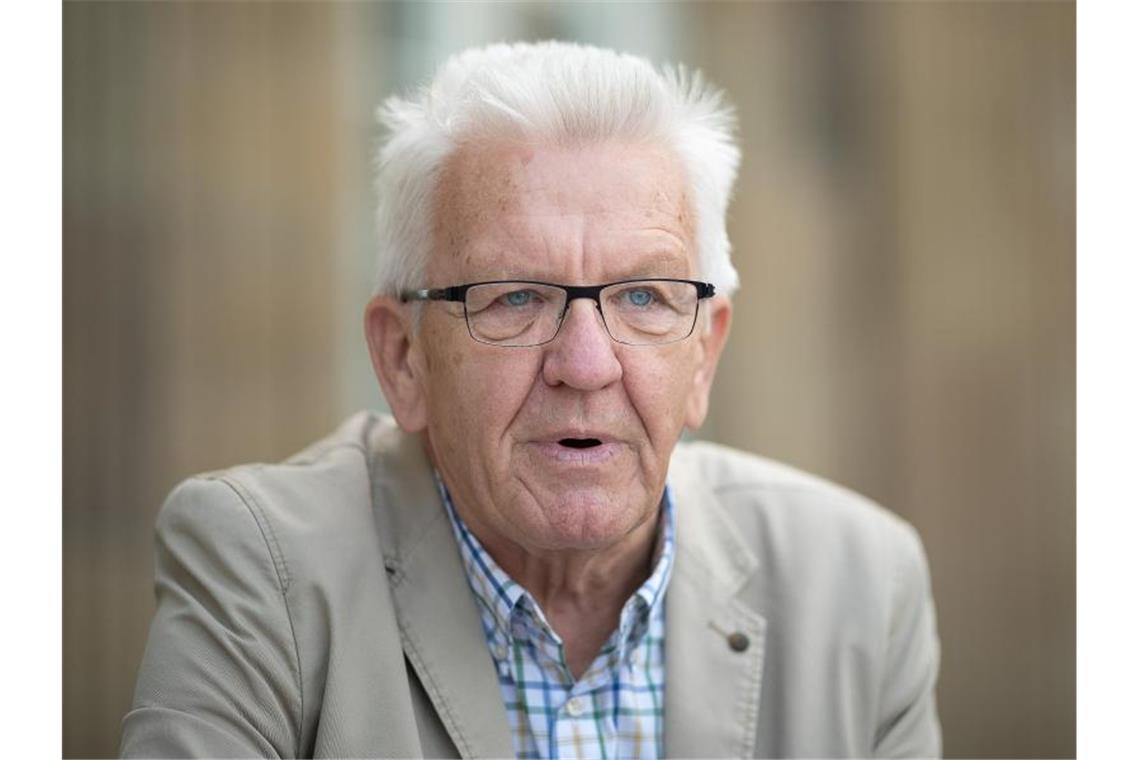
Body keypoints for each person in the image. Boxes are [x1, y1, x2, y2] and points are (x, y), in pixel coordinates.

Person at [121, 41, 940, 759]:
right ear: (403, 358)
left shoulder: (862, 586)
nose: (586, 365)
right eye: (514, 297)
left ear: (703, 358)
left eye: (645, 298)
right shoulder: (260, 572)